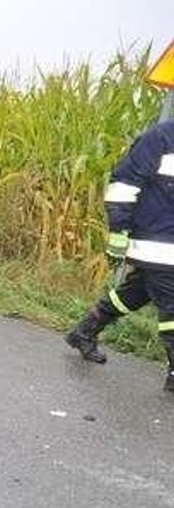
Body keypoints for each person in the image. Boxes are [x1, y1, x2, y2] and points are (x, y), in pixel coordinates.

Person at [66, 119, 174, 393]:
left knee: (138, 291)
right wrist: (118, 230)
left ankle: (84, 332)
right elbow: (124, 183)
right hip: (156, 243)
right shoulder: (160, 138)